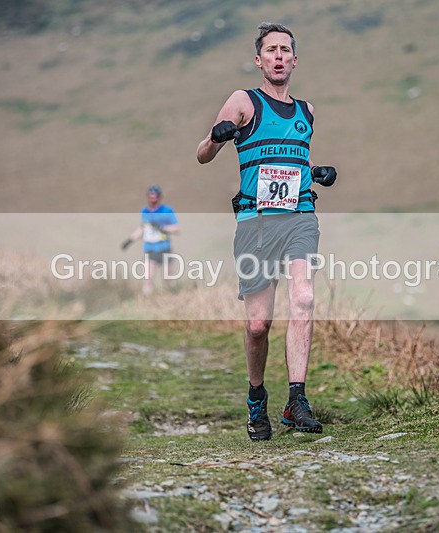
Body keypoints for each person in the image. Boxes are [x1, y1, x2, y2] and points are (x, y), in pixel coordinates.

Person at [196, 22, 337, 441]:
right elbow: (202, 154)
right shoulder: (244, 101)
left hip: (299, 216)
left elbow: (289, 166)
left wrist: (316, 173)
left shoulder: (306, 111)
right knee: (258, 325)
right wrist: (218, 137)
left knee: (304, 297)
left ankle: (297, 400)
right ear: (259, 60)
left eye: (285, 50)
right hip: (255, 223)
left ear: (295, 60)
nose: (278, 56)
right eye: (271, 50)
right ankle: (256, 398)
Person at [121, 185, 179, 296]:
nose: (153, 200)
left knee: (167, 279)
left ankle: (174, 298)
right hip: (150, 250)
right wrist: (129, 241)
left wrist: (162, 228)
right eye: (150, 197)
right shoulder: (145, 211)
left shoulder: (167, 210)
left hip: (164, 249)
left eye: (155, 198)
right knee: (147, 279)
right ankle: (146, 301)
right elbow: (143, 228)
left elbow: (176, 228)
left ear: (159, 198)